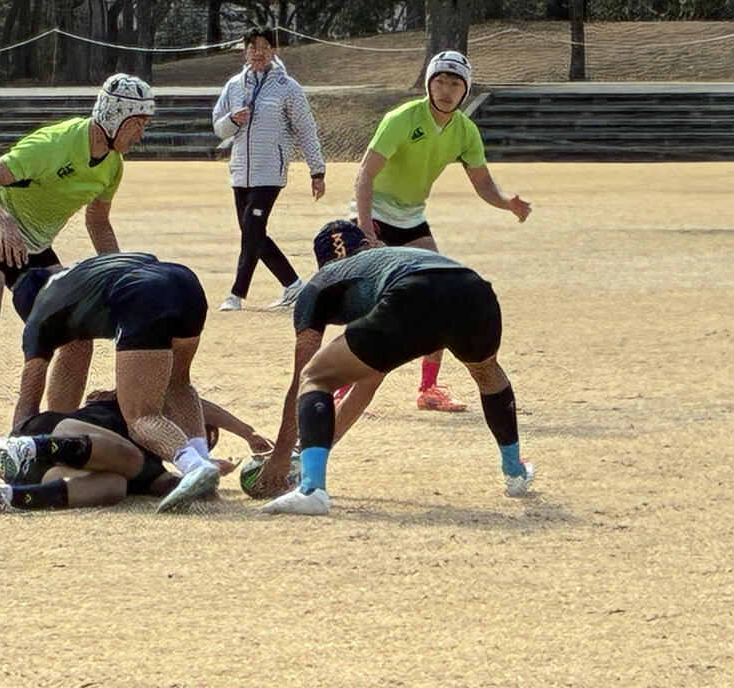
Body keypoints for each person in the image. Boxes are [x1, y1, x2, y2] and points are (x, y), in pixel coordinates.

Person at [0, 73, 155, 499]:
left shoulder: (112, 165)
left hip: (34, 247)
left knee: (76, 338)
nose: (142, 134)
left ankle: (48, 446)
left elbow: (97, 221)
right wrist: (3, 222)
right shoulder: (54, 143)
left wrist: (118, 270)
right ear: (115, 116)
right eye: (138, 123)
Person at [255, 220, 534, 516]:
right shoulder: (387, 259)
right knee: (488, 374)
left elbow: (303, 377)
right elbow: (369, 378)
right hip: (473, 290)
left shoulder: (322, 284)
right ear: (369, 245)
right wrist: (318, 445)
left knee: (315, 376)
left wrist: (282, 458)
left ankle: (311, 489)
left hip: (411, 294)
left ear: (323, 263)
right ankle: (515, 471)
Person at [353, 50, 531, 412]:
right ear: (428, 84)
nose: (447, 90)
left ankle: (429, 389)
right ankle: (343, 385)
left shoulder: (465, 131)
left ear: (465, 90)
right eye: (440, 81)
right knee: (370, 306)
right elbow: (365, 174)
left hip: (411, 218)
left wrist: (506, 203)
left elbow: (483, 183)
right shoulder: (401, 119)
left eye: (455, 84)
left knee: (440, 297)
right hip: (376, 216)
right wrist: (365, 228)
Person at [9, 252, 222, 513]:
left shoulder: (39, 317)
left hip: (142, 294)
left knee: (142, 416)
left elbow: (28, 400)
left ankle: (195, 467)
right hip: (184, 280)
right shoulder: (76, 277)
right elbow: (73, 361)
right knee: (178, 385)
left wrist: (13, 448)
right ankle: (203, 459)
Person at [0, 390, 274, 514]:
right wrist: (246, 432)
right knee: (131, 458)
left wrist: (204, 475)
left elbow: (167, 485)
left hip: (44, 472)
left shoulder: (154, 468)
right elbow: (186, 400)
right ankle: (27, 449)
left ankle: (9, 497)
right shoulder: (138, 407)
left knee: (115, 486)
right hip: (53, 431)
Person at [212, 26, 327, 313]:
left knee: (252, 227)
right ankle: (292, 286)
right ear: (245, 51)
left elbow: (305, 129)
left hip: (270, 172)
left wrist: (317, 171)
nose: (258, 53)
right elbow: (218, 127)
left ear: (274, 50)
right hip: (241, 172)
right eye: (252, 47)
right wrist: (233, 120)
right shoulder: (234, 85)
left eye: (264, 47)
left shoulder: (288, 87)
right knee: (252, 232)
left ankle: (237, 294)